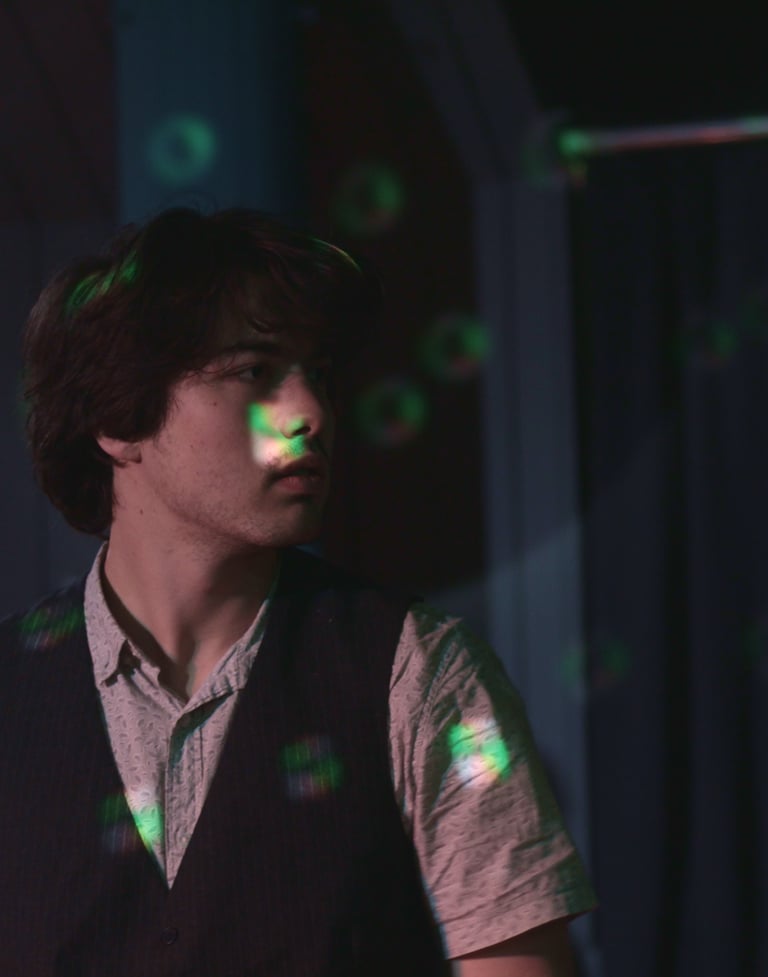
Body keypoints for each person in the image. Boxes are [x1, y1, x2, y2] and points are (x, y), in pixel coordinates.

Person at [0, 208, 597, 977]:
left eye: (318, 374)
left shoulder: (420, 674)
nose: (310, 414)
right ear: (117, 418)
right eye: (253, 372)